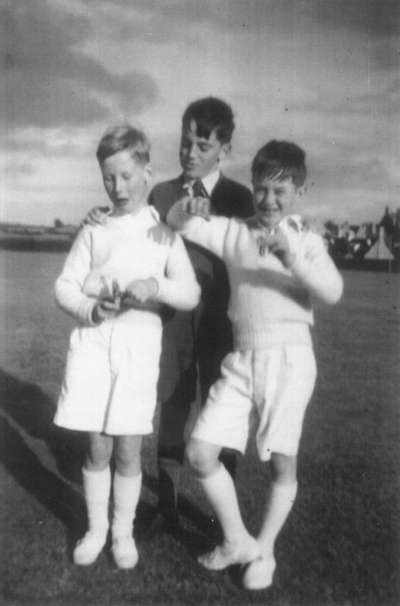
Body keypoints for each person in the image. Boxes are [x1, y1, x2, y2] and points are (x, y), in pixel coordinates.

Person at [167, 140, 343, 589]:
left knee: (281, 465)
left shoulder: (306, 237)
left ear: (299, 191)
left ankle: (264, 551)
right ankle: (236, 541)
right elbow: (179, 224)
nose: (269, 201)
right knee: (199, 452)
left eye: (280, 192)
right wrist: (185, 207)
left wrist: (291, 258)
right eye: (262, 189)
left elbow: (332, 292)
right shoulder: (234, 232)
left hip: (289, 358)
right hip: (241, 358)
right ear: (253, 187)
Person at [84, 97, 254, 527]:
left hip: (221, 324)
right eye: (185, 143)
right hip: (171, 323)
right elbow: (128, 222)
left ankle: (221, 516)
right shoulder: (160, 193)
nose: (190, 153)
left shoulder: (239, 198)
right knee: (172, 407)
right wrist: (100, 216)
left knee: (223, 414)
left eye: (202, 145)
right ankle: (168, 505)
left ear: (224, 149)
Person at [54, 125, 200, 569]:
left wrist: (154, 285)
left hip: (138, 346)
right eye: (107, 178)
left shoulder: (163, 232)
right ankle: (96, 530)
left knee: (128, 450)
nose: (117, 187)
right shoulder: (95, 228)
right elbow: (64, 285)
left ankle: (122, 534)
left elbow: (190, 292)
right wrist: (90, 310)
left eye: (125, 176)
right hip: (93, 345)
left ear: (147, 172)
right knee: (96, 448)